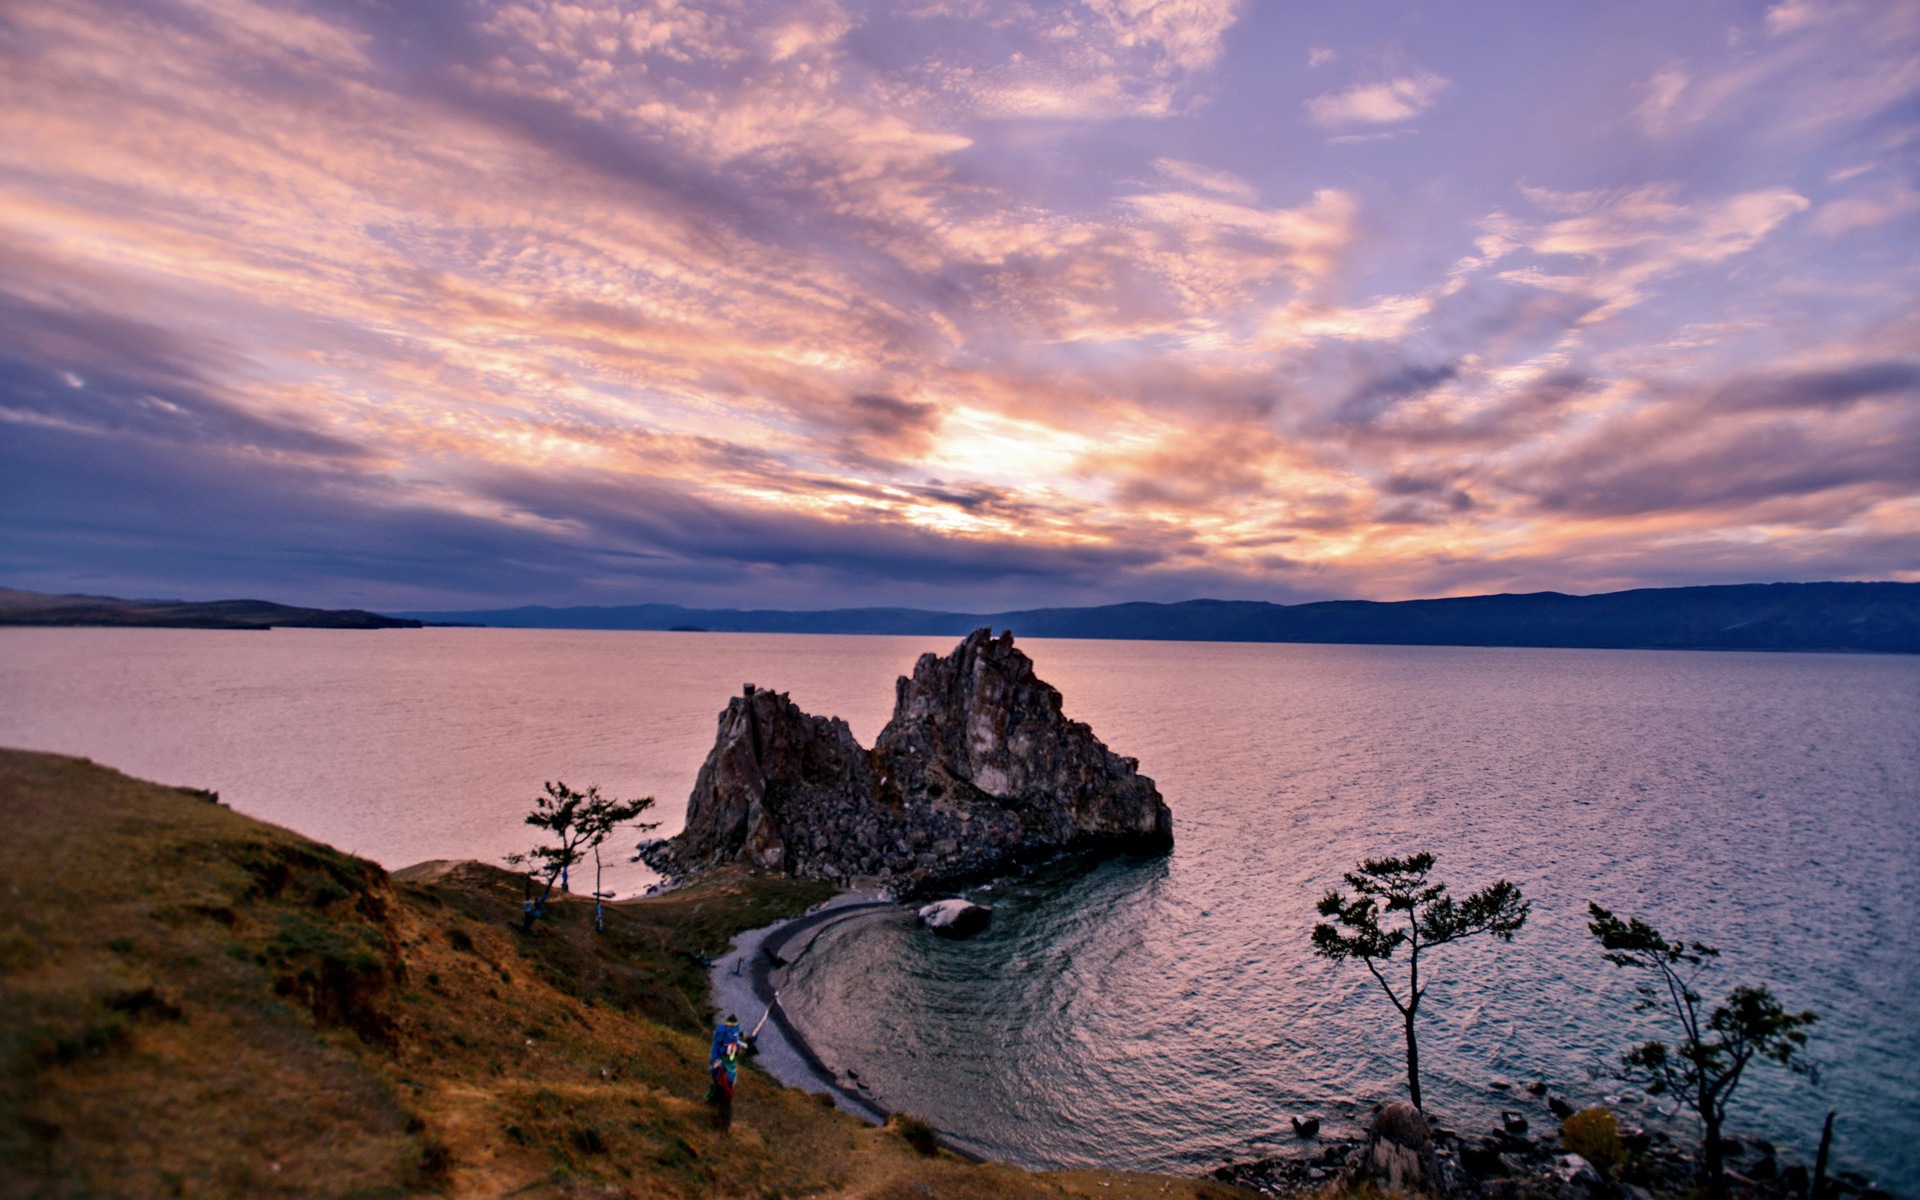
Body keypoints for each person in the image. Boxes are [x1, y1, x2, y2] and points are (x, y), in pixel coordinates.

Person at [707, 1014, 745, 1129]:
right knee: (723, 1092)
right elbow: (732, 1053)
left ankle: (715, 1109)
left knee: (718, 1087)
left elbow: (718, 1050)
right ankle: (720, 1119)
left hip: (723, 1066)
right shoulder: (733, 1036)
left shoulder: (722, 1032)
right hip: (726, 1068)